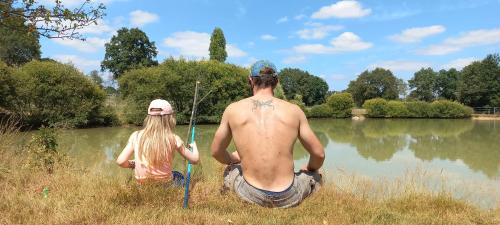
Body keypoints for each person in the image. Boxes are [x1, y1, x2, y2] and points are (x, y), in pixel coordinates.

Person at [211, 60, 325, 208]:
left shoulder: (233, 110)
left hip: (248, 193)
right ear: (276, 82)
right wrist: (309, 169)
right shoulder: (294, 111)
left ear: (251, 80)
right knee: (316, 174)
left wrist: (233, 159)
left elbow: (216, 151)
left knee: (230, 169)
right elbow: (319, 154)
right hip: (289, 195)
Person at [116, 99, 200, 185]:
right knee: (178, 175)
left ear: (149, 117)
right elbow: (195, 160)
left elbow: (121, 162)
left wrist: (133, 164)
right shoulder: (173, 138)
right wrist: (194, 147)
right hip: (166, 185)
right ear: (170, 119)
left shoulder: (136, 136)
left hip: (142, 185)